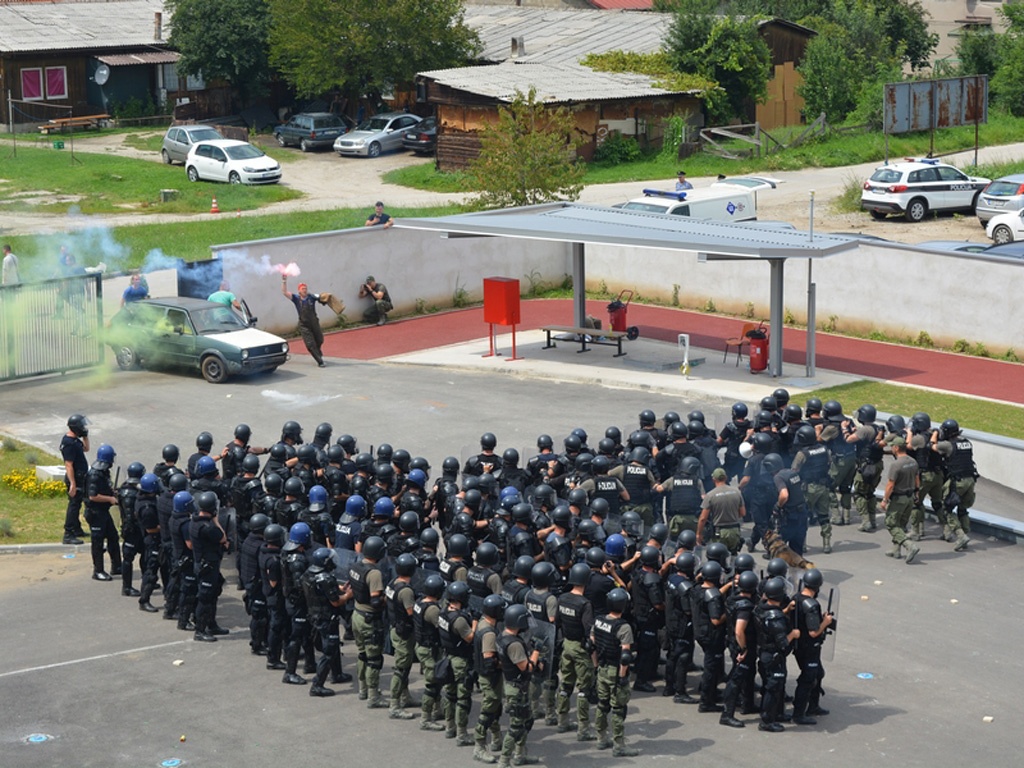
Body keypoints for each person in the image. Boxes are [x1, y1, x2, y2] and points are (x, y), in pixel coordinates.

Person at [592, 587, 641, 757]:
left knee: (602, 705)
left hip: (602, 669)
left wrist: (596, 665)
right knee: (618, 709)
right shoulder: (624, 627)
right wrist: (622, 677)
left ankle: (601, 738)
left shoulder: (598, 621)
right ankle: (618, 745)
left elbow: (591, 646)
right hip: (615, 670)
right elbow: (625, 656)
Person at [497, 603, 545, 768]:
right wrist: (537, 651)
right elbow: (527, 668)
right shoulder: (514, 644)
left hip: (516, 686)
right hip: (517, 689)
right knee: (516, 727)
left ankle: (520, 755)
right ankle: (504, 761)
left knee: (526, 721)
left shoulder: (503, 636)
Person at [756, 577, 800, 732]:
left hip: (764, 653)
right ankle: (767, 721)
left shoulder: (762, 608)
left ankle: (776, 714)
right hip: (773, 655)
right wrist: (793, 634)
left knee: (771, 686)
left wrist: (786, 610)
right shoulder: (776, 619)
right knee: (772, 688)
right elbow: (783, 643)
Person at [792, 568, 835, 725]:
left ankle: (813, 706)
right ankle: (798, 714)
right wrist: (826, 622)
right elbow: (813, 632)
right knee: (807, 679)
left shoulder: (796, 598)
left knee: (818, 673)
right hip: (808, 647)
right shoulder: (811, 605)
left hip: (799, 646)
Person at [933, 419, 975, 551]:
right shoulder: (967, 443)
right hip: (970, 480)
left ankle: (961, 536)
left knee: (948, 508)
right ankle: (952, 534)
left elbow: (933, 446)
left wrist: (934, 436)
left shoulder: (948, 445)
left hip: (957, 482)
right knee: (963, 509)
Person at [85, 444, 122, 581]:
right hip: (95, 513)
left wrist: (113, 493)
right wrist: (110, 498)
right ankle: (98, 570)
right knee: (98, 543)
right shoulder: (94, 475)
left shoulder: (104, 472)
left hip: (103, 512)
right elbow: (93, 496)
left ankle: (117, 566)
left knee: (113, 537)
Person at [880, 437, 920, 562]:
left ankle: (909, 545)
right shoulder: (913, 461)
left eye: (892, 446)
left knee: (891, 524)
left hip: (899, 498)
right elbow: (917, 479)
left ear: (896, 448)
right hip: (910, 498)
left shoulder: (896, 465)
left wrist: (885, 500)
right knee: (901, 524)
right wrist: (917, 493)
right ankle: (896, 550)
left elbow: (890, 484)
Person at [697, 467, 745, 553]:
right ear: (726, 478)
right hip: (734, 531)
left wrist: (699, 534)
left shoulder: (710, 495)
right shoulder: (737, 492)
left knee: (718, 557)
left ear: (713, 479)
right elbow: (742, 513)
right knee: (733, 555)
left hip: (719, 533)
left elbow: (703, 518)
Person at [281, 276, 326, 367]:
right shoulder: (296, 298)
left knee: (320, 339)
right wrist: (284, 281)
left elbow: (321, 298)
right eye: (302, 289)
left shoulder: (312, 297)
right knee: (310, 344)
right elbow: (284, 292)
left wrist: (324, 299)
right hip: (304, 325)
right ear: (299, 291)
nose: (305, 290)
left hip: (314, 322)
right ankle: (319, 361)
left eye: (305, 288)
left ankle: (318, 351)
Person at [61, 414, 91, 544]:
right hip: (75, 479)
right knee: (73, 505)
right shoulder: (68, 443)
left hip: (80, 478)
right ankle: (68, 533)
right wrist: (72, 483)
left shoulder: (75, 441)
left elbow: (86, 449)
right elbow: (69, 464)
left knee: (77, 504)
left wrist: (85, 436)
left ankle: (77, 529)